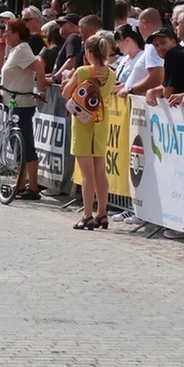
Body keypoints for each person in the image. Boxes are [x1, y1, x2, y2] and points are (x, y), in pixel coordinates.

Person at [62, 35, 116, 230]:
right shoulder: (111, 74)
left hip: (84, 123)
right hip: (102, 122)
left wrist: (70, 79)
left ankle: (87, 215)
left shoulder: (83, 71)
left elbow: (66, 93)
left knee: (87, 174)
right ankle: (102, 212)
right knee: (100, 171)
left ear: (89, 53)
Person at [0, 19, 46, 199]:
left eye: (7, 33)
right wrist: (2, 48)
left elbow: (39, 66)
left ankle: (32, 186)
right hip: (12, 102)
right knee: (17, 145)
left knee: (26, 144)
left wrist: (41, 90)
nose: (4, 36)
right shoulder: (15, 50)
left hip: (22, 104)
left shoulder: (23, 49)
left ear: (17, 34)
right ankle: (21, 182)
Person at [112, 24, 147, 97]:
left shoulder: (144, 58)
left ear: (128, 40)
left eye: (118, 41)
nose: (117, 46)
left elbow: (142, 80)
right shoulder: (123, 59)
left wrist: (119, 87)